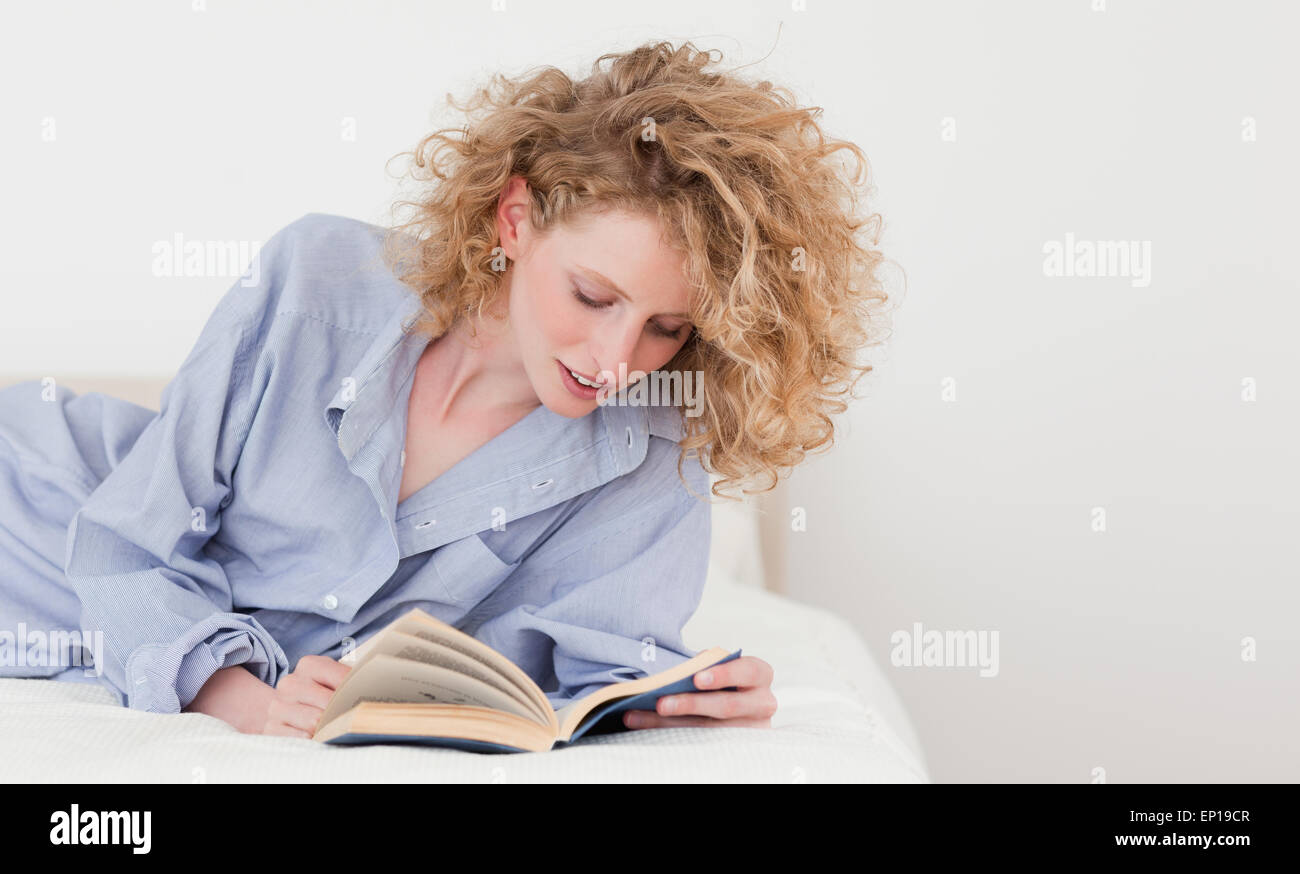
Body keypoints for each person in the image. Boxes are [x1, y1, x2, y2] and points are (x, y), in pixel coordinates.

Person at [0, 40, 889, 739]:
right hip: (35, 504)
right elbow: (121, 542)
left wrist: (674, 699)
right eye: (593, 296)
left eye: (667, 327)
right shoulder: (314, 282)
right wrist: (243, 701)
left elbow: (594, 672)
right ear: (516, 220)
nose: (618, 357)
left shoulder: (651, 449)